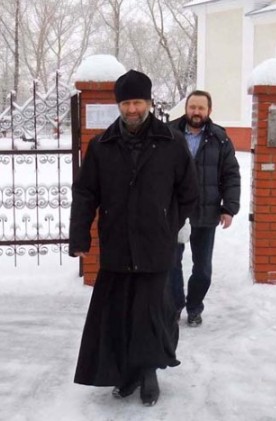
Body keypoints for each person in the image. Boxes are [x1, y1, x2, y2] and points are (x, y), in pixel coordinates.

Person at [69, 70, 198, 407]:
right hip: (117, 245)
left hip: (156, 246)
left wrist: (168, 224)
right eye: (125, 103)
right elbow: (85, 194)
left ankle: (149, 371)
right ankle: (127, 371)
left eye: (137, 102)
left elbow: (189, 192)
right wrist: (79, 236)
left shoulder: (172, 142)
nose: (131, 109)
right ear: (119, 105)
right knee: (119, 312)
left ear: (149, 102)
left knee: (150, 312)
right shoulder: (102, 146)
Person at [169, 90, 241, 327]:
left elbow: (231, 174)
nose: (196, 112)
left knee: (203, 270)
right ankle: (175, 305)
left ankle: (194, 307)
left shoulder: (220, 138)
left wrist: (229, 208)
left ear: (209, 110)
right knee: (171, 264)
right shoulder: (168, 134)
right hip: (175, 213)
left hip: (206, 211)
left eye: (201, 108)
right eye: (192, 107)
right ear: (186, 108)